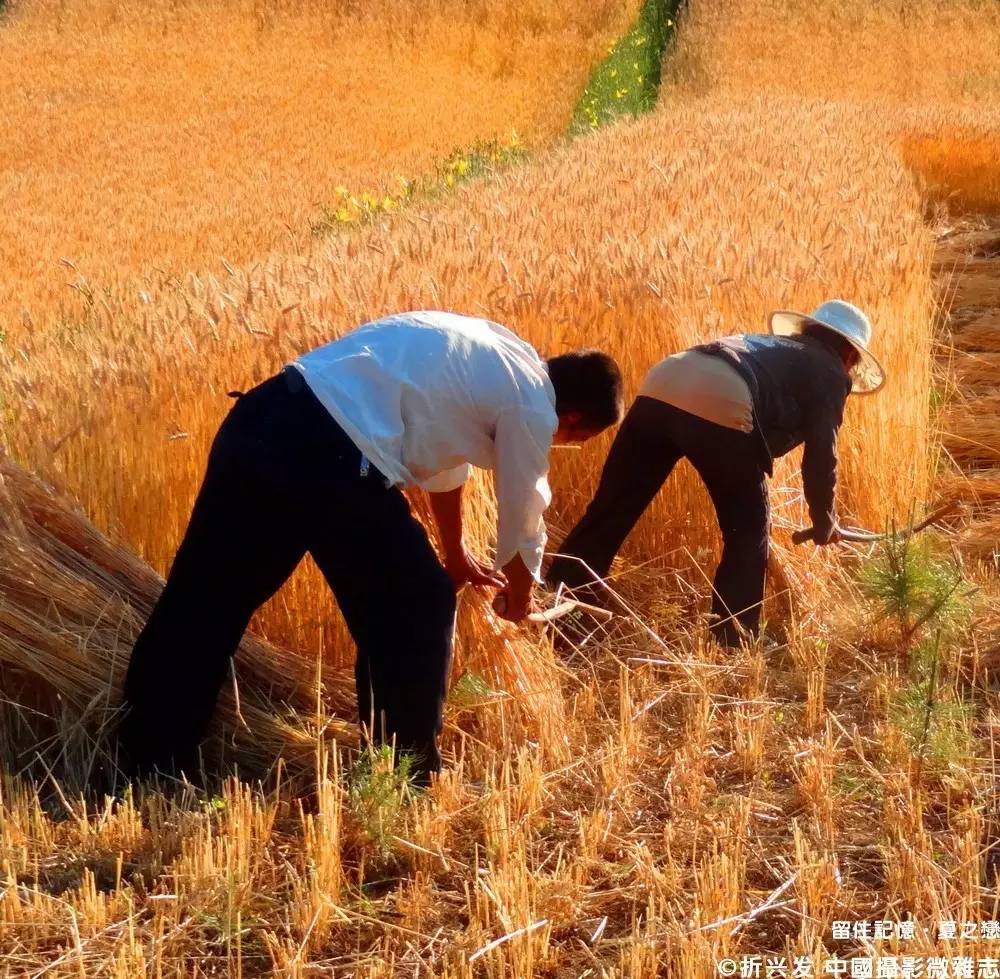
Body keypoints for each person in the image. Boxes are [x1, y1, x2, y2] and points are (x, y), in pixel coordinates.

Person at [119, 310, 624, 785]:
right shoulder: (534, 403)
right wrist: (521, 595)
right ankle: (404, 775)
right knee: (418, 605)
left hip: (261, 421)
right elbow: (523, 511)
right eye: (569, 441)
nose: (557, 444)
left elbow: (447, 465)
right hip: (330, 453)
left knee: (206, 601)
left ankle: (145, 761)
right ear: (572, 420)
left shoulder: (497, 354)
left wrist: (454, 553)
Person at [546, 299, 886, 646]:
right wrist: (824, 519)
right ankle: (733, 643)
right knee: (748, 533)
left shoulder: (773, 346)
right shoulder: (830, 370)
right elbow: (821, 455)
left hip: (661, 382)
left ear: (807, 330)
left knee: (609, 511)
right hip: (722, 396)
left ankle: (558, 618)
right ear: (849, 355)